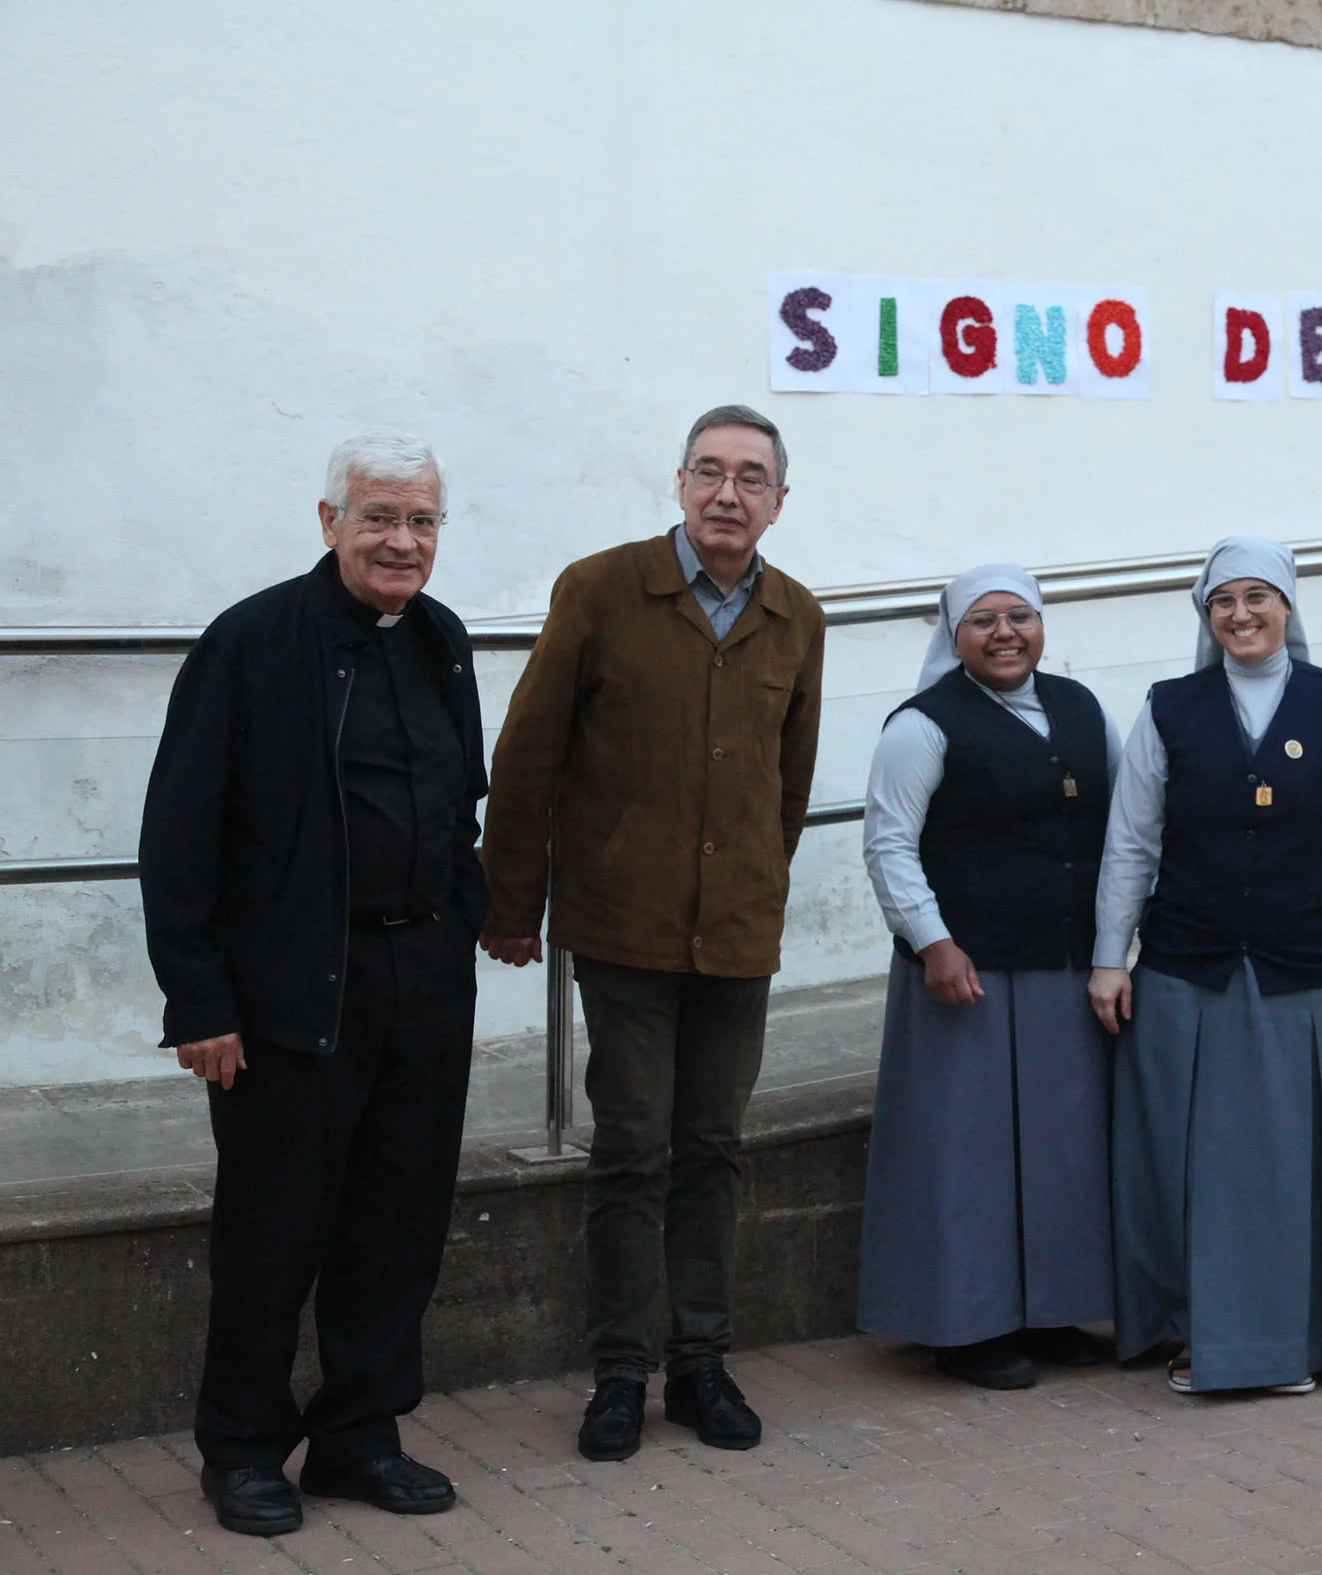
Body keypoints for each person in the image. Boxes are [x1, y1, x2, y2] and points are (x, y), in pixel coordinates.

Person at [139, 435, 487, 1536]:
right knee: (273, 1231)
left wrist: (466, 920)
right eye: (380, 516)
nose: (402, 541)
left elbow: (458, 801)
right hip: (294, 989)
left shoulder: (440, 640)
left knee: (398, 1226)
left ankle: (357, 1437)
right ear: (328, 519)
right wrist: (199, 1001)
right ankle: (241, 1447)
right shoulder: (250, 642)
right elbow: (178, 836)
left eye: (422, 521)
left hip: (421, 980)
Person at [479, 406, 825, 1462]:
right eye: (710, 473)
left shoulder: (797, 615)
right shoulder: (601, 589)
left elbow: (788, 782)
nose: (729, 494)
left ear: (777, 501)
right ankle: (619, 1374)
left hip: (735, 934)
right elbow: (529, 753)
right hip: (621, 924)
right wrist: (513, 903)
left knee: (714, 1149)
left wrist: (756, 891)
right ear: (679, 483)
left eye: (751, 478)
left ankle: (703, 1363)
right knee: (633, 1146)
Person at [1090, 535, 1322, 1395]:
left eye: (1257, 597)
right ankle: (1202, 1330)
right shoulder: (1168, 709)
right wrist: (1109, 959)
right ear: (1207, 617)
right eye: (1222, 602)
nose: (1241, 615)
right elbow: (1130, 843)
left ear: (1287, 604)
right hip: (1190, 969)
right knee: (1205, 1166)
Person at [856, 566, 1122, 1389]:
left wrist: (1117, 943)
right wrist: (934, 942)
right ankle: (965, 1326)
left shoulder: (1083, 709)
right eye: (982, 621)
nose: (1004, 633)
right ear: (953, 635)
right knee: (963, 1153)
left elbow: (1123, 826)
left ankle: (1053, 1310)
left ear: (1042, 626)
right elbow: (888, 843)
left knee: (1063, 1149)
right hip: (964, 975)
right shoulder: (922, 725)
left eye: (1019, 617)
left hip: (1062, 964)